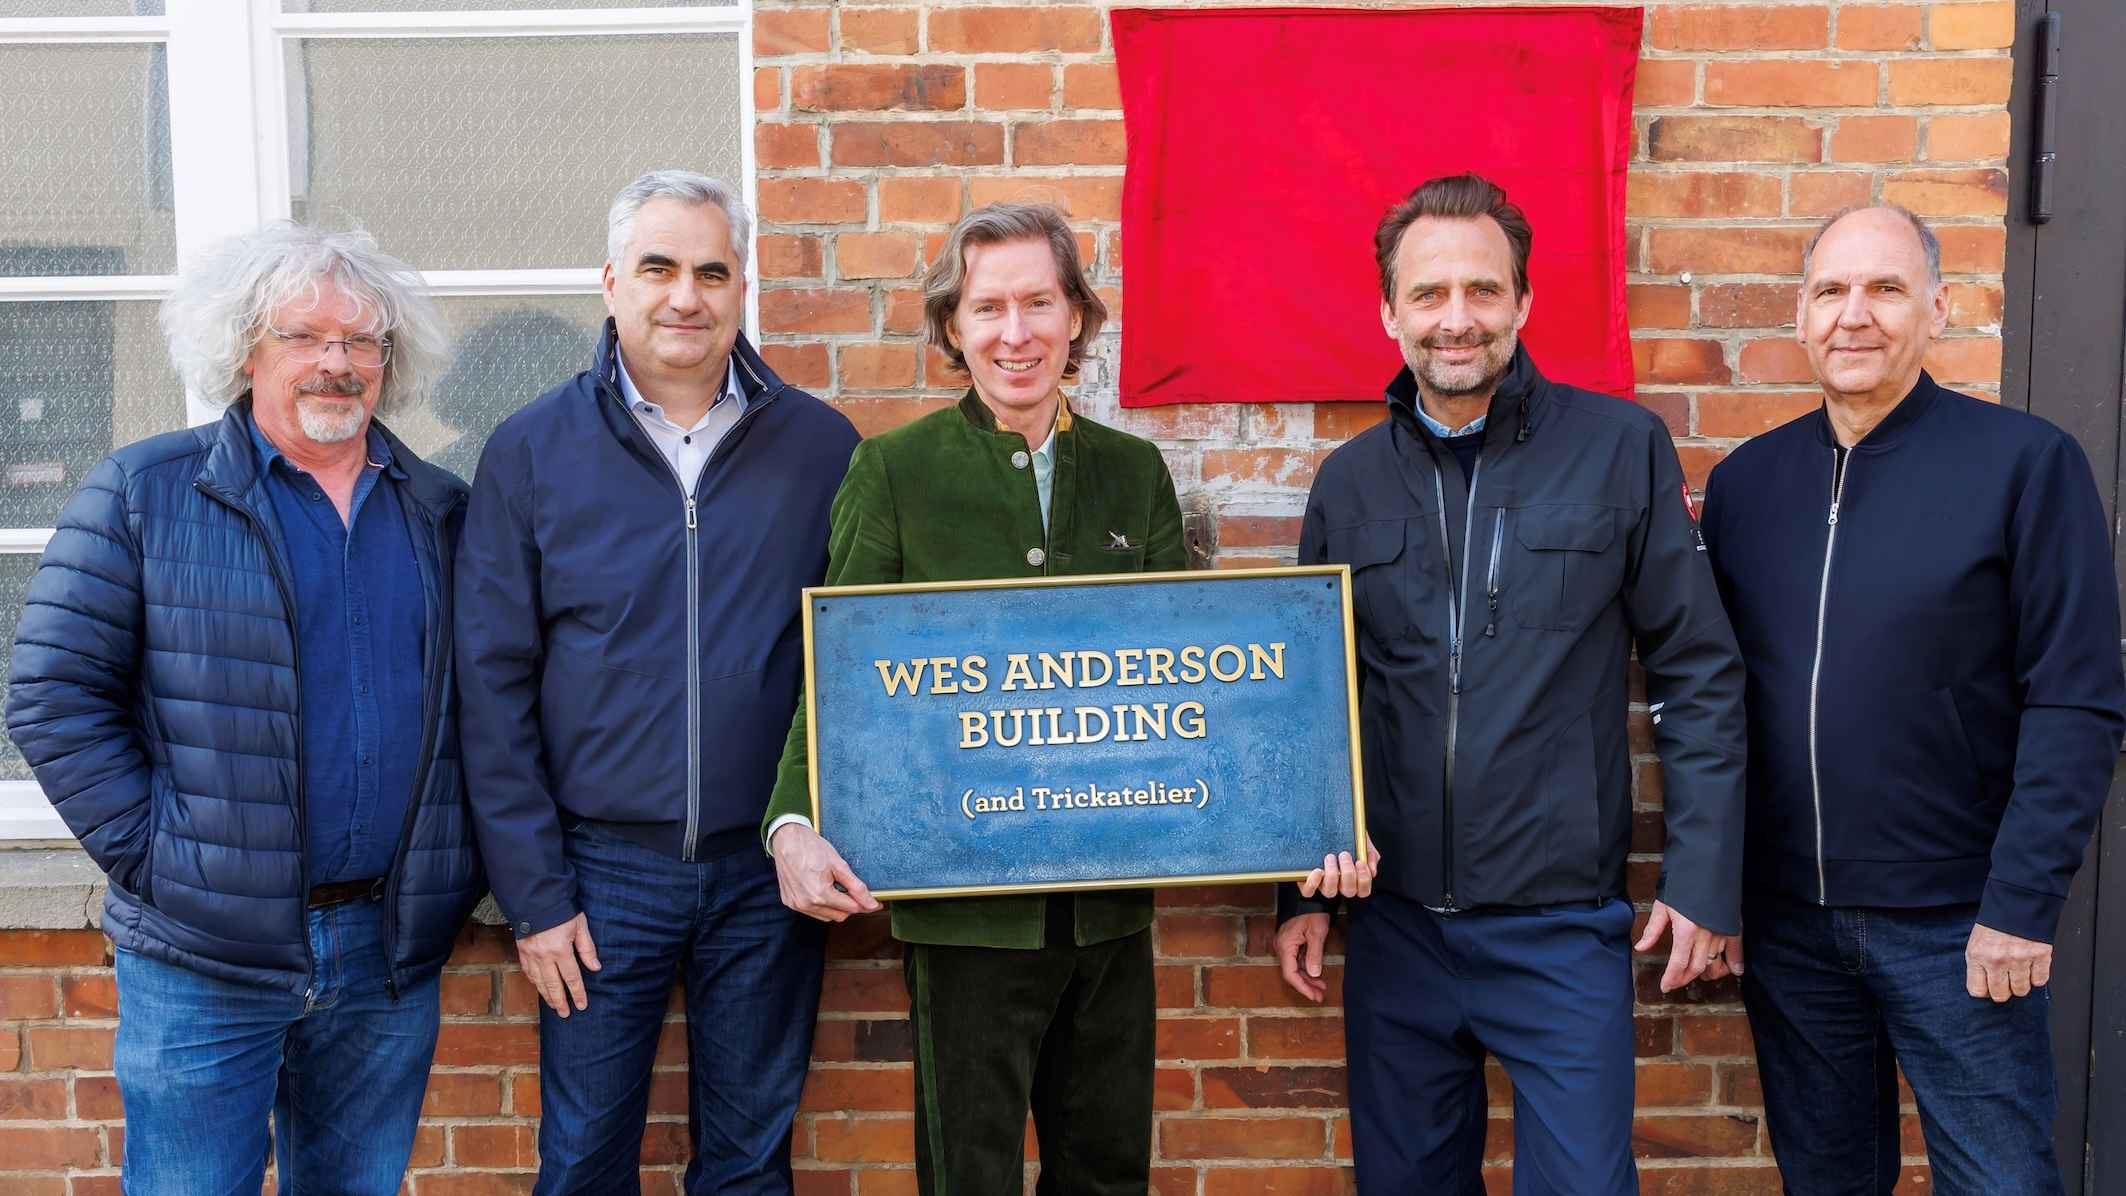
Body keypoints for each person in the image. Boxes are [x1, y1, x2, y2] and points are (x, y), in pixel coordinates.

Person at [1276, 173, 1748, 1194]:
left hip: (1559, 932)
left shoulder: (1618, 449)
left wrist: (1704, 877)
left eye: (1482, 291)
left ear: (1523, 303)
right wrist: (1295, 887)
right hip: (1394, 927)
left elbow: (1696, 670)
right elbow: (1312, 697)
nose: (1456, 320)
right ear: (1388, 311)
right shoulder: (1348, 484)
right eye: (1429, 294)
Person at [5, 221, 480, 1194]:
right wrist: (164, 857)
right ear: (245, 350)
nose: (335, 363)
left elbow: (484, 711)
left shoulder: (440, 509)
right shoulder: (145, 491)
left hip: (382, 952)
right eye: (303, 336)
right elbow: (51, 694)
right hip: (202, 956)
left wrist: (454, 862)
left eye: (361, 341)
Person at [760, 201, 1185, 1194]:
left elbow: (1188, 677)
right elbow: (840, 667)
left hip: (1109, 907)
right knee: (969, 1176)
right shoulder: (894, 471)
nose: (1015, 331)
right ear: (952, 326)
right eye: (987, 307)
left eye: (1038, 301)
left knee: (1108, 1171)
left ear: (1076, 314)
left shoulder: (1134, 474)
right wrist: (792, 820)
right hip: (961, 913)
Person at [1700, 204, 2126, 1196]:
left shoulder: (2022, 464)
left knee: (1998, 1182)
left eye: (1884, 289)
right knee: (1826, 1180)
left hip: (1959, 925)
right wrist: (1719, 885)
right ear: (1799, 317)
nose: (1854, 315)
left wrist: (2019, 903)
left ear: (1936, 308)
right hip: (1789, 926)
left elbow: (2075, 697)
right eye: (1829, 291)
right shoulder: (1745, 484)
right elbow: (1710, 702)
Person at [455, 169, 859, 1193]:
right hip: (598, 875)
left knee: (747, 1163)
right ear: (610, 283)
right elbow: (491, 684)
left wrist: (810, 817)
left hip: (766, 870)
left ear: (740, 285)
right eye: (658, 267)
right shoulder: (531, 450)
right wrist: (535, 893)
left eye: (711, 271)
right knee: (584, 1159)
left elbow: (851, 661)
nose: (686, 294)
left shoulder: (820, 448)